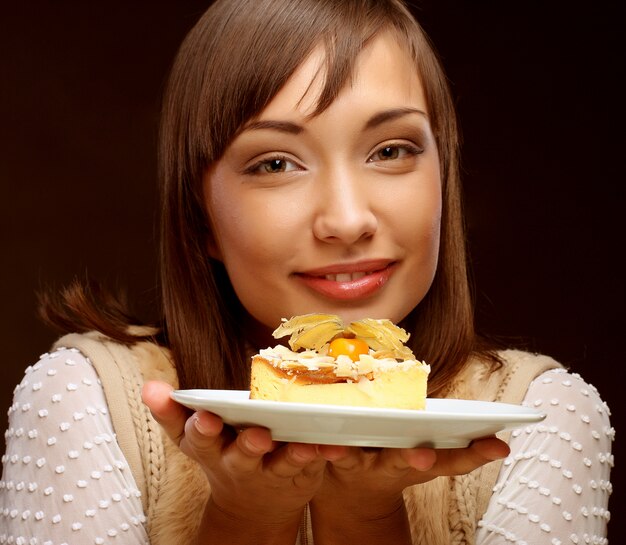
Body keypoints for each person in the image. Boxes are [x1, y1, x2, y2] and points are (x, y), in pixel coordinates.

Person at [0, 0, 613, 544]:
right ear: (201, 217)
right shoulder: (87, 400)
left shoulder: (543, 414)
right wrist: (246, 520)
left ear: (445, 177)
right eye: (275, 164)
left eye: (391, 151)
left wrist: (367, 519)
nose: (346, 221)